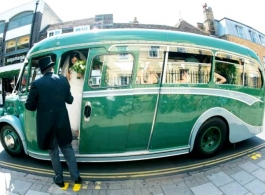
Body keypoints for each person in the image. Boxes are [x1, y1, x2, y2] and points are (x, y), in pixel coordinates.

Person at [25, 56, 82, 188]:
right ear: (51, 67)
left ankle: (59, 178)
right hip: (62, 122)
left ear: (42, 70)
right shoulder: (63, 80)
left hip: (47, 125)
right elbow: (70, 100)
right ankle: (77, 177)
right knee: (68, 149)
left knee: (53, 151)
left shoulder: (36, 84)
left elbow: (29, 106)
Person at [66, 52, 85, 136]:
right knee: (72, 106)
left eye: (74, 57)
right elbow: (68, 79)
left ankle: (80, 130)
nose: (73, 59)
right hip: (72, 86)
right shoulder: (70, 69)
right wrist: (68, 76)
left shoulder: (81, 66)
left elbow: (81, 76)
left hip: (79, 86)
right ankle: (75, 129)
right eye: (72, 58)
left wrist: (80, 72)